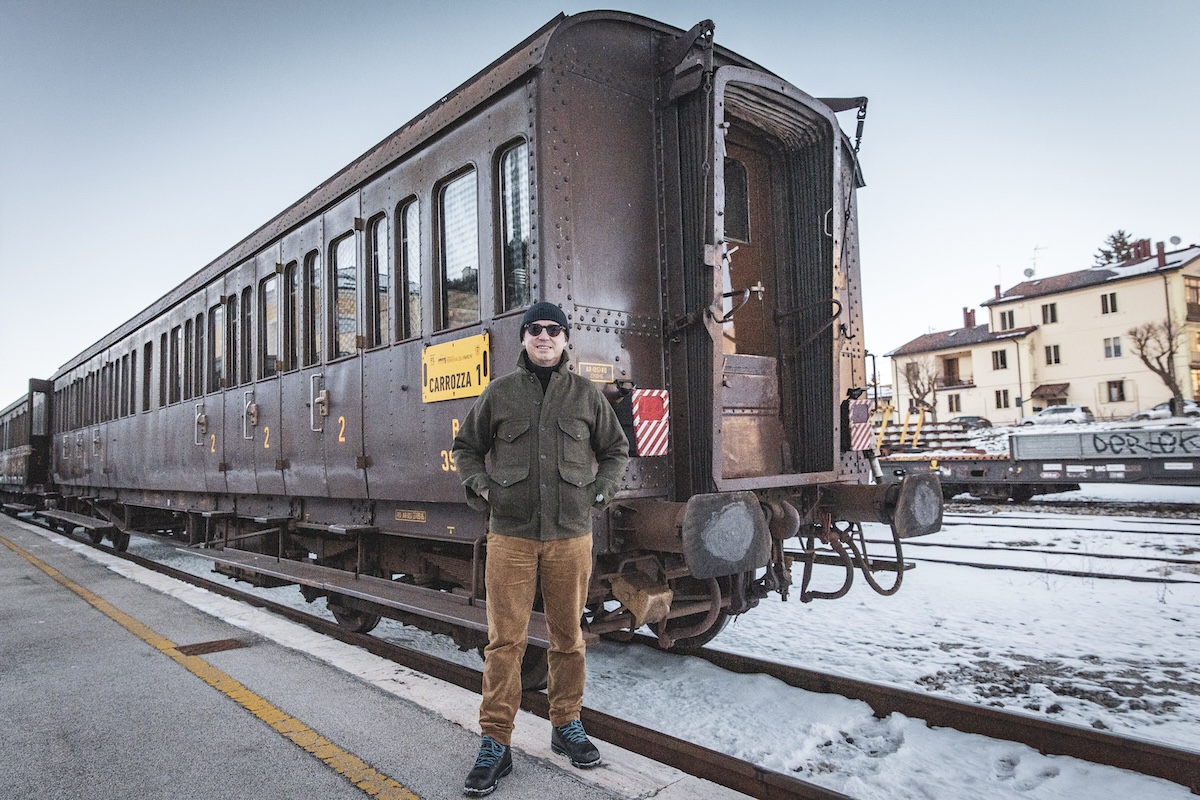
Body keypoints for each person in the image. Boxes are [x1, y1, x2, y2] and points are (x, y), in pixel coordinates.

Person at [452, 301, 629, 796]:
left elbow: (616, 450)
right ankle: (496, 743)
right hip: (509, 535)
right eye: (535, 330)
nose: (544, 337)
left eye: (553, 330)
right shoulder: (500, 393)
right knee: (504, 642)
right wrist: (484, 487)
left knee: (568, 637)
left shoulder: (586, 395)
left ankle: (565, 724)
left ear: (566, 339)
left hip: (570, 535)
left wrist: (601, 491)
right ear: (524, 339)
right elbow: (466, 447)